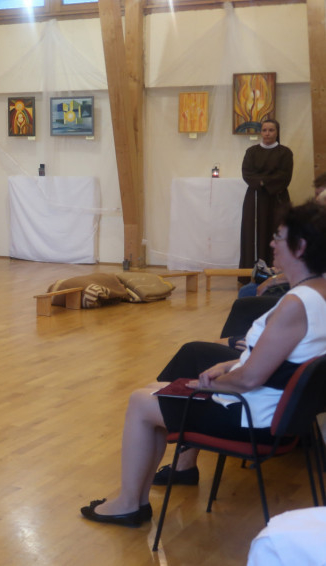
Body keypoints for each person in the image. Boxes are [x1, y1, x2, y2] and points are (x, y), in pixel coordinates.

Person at [80, 201, 326, 527]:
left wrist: (206, 384)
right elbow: (283, 359)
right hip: (275, 412)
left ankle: (129, 504)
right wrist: (227, 366)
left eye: (278, 237)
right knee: (156, 390)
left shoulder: (296, 303)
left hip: (253, 419)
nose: (272, 243)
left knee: (141, 401)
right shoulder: (318, 291)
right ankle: (136, 499)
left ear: (301, 246)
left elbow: (249, 379)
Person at [239, 119, 293, 283]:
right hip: (255, 199)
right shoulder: (251, 152)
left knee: (275, 232)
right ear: (261, 132)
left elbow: (284, 176)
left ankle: (278, 274)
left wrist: (263, 181)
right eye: (264, 130)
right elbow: (247, 173)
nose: (267, 133)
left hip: (277, 199)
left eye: (271, 130)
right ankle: (250, 274)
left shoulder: (285, 153)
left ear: (277, 132)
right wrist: (263, 181)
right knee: (253, 234)